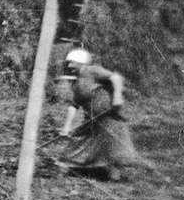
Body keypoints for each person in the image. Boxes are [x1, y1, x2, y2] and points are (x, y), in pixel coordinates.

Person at [56, 48, 143, 182]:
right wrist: (67, 126)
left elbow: (116, 77)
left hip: (109, 116)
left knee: (113, 148)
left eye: (72, 63)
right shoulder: (76, 82)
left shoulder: (93, 71)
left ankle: (116, 179)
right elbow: (73, 105)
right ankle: (74, 170)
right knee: (76, 140)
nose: (69, 66)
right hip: (92, 120)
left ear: (81, 62)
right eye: (68, 63)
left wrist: (117, 97)